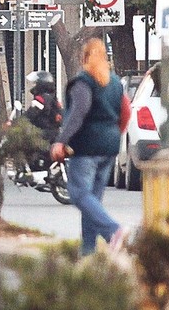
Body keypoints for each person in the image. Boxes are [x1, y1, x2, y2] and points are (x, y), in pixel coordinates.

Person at [51, 38, 127, 255]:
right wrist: (113, 134)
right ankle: (88, 252)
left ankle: (114, 231)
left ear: (83, 58)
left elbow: (77, 114)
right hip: (109, 147)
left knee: (78, 193)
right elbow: (126, 112)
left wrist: (61, 140)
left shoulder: (84, 82)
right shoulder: (115, 82)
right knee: (92, 201)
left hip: (86, 147)